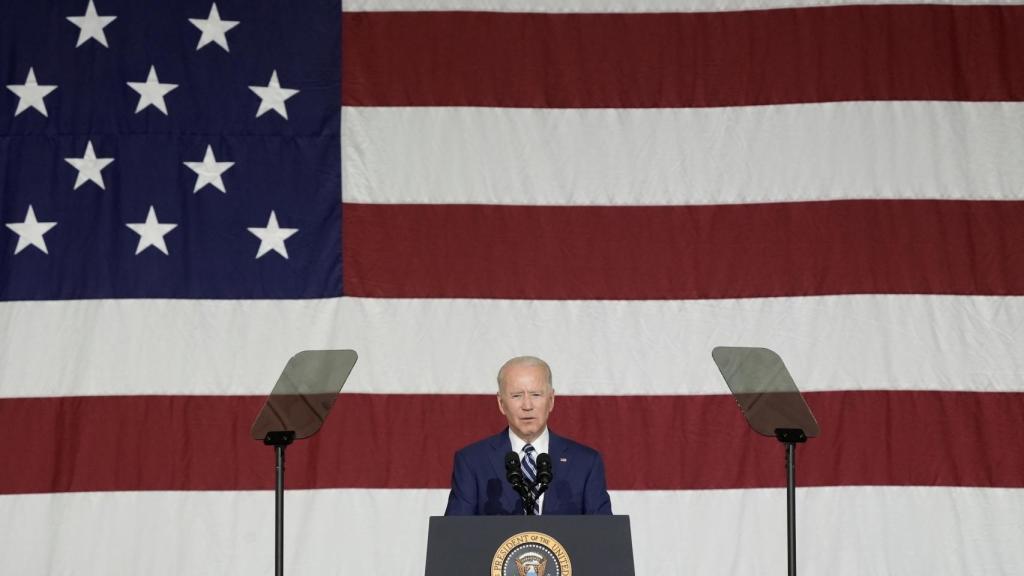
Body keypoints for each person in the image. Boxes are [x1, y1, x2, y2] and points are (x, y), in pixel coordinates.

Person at [444, 356, 612, 515]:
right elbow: (455, 537)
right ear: (501, 403)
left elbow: (604, 536)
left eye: (536, 395)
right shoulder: (472, 461)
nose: (527, 405)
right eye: (517, 396)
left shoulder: (586, 462)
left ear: (551, 400)